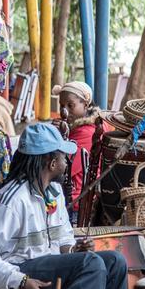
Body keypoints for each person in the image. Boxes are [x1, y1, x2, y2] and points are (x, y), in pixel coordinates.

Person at [0, 123, 127, 289]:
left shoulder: (54, 193)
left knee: (115, 262)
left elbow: (63, 241)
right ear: (51, 163)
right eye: (64, 157)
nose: (67, 163)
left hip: (43, 269)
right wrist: (21, 281)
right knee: (90, 264)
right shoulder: (13, 200)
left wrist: (74, 250)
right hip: (12, 278)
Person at [53, 81, 104, 216]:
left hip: (76, 202)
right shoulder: (74, 129)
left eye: (71, 105)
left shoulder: (87, 133)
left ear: (85, 105)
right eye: (62, 106)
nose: (65, 111)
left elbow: (60, 168)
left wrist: (56, 136)